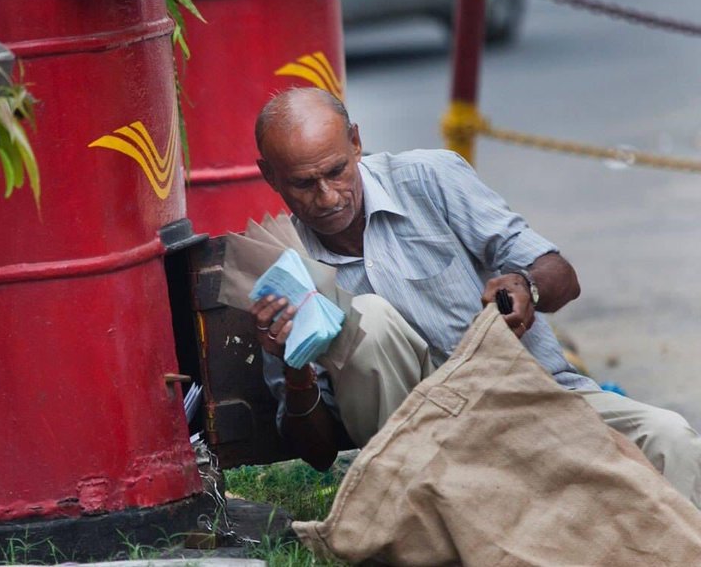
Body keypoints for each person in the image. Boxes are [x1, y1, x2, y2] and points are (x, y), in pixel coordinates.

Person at [252, 87, 701, 508]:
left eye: (335, 172)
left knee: (670, 438)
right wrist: (294, 366)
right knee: (368, 316)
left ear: (355, 142)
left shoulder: (431, 178)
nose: (328, 197)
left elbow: (561, 276)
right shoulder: (286, 270)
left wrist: (527, 286)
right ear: (269, 176)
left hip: (534, 402)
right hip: (425, 453)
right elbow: (316, 453)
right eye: (303, 184)